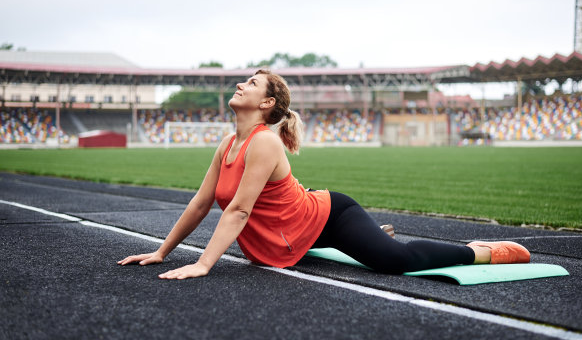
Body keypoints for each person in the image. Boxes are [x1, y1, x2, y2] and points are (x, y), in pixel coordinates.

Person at [118, 70, 530, 279]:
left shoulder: (264, 141)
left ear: (267, 104)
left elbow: (239, 211)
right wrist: (162, 252)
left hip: (327, 214)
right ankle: (368, 233)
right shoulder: (227, 144)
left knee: (394, 261)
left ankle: (481, 249)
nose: (242, 84)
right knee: (326, 247)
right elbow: (201, 203)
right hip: (298, 225)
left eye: (252, 82)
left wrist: (204, 264)